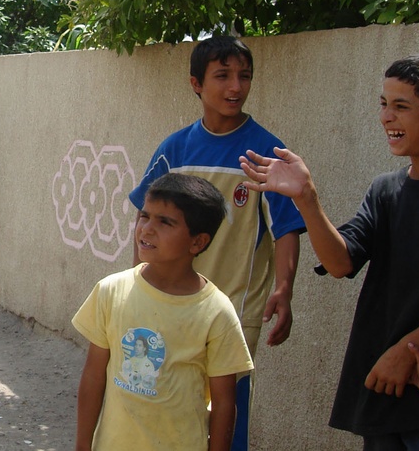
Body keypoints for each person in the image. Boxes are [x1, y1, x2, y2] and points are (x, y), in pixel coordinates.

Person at [240, 52, 419, 449]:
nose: (386, 117)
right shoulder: (386, 190)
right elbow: (340, 261)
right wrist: (306, 199)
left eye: (401, 107)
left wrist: (407, 350)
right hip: (382, 391)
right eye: (384, 104)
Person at [126, 35, 304, 451]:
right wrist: (136, 282)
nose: (235, 87)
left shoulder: (264, 153)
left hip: (234, 314)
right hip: (167, 309)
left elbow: (286, 228)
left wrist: (284, 288)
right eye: (222, 76)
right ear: (196, 84)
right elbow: (143, 219)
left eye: (244, 76)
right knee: (160, 406)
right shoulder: (175, 148)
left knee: (224, 417)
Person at [74, 173, 254, 451]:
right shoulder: (111, 291)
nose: (146, 229)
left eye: (165, 222)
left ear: (197, 242)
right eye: (145, 216)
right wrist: (83, 444)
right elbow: (93, 376)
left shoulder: (216, 312)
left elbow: (223, 403)